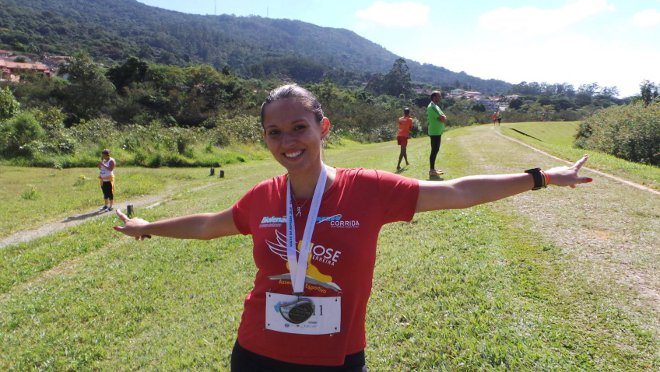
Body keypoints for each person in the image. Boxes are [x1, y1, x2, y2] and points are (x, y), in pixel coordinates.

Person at [114, 84, 592, 371]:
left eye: (298, 127)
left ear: (323, 129)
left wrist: (542, 177)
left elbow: (460, 192)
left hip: (334, 356)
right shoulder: (262, 197)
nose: (287, 142)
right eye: (274, 133)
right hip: (257, 350)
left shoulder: (368, 190)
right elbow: (208, 225)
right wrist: (147, 226)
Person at [426, 91, 446, 178]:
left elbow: (443, 116)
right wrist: (443, 117)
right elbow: (442, 118)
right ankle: (431, 170)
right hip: (434, 132)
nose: (440, 98)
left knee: (436, 150)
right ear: (434, 97)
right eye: (439, 96)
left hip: (437, 132)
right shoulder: (431, 107)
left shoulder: (436, 106)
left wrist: (443, 117)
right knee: (434, 150)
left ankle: (433, 169)